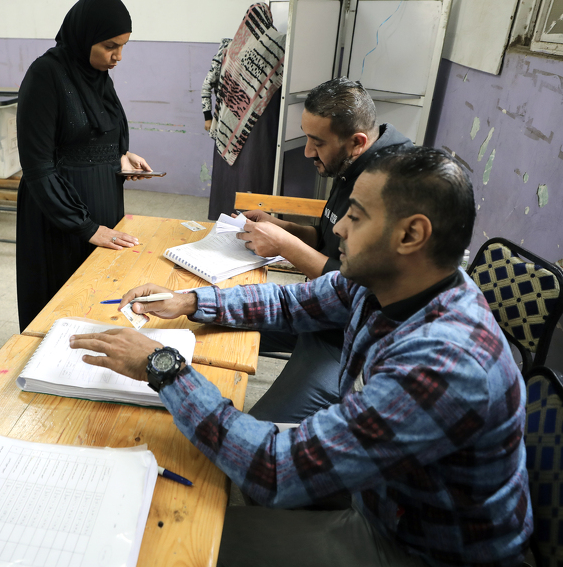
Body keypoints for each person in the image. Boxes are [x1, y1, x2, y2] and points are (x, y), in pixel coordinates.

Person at [70, 146, 532, 566]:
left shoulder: (444, 365)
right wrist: (190, 301)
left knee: (174, 544)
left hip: (420, 547)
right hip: (390, 492)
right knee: (218, 465)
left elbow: (275, 470)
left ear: (410, 234)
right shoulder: (397, 279)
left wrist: (164, 367)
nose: (338, 228)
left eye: (356, 216)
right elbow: (292, 302)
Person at [237, 77, 413, 422]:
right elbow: (327, 237)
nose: (306, 151)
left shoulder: (393, 184)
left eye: (317, 142)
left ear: (357, 142)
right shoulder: (353, 162)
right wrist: (284, 227)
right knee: (204, 320)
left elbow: (356, 290)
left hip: (347, 335)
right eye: (306, 136)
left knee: (264, 430)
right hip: (317, 310)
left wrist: (285, 245)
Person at [16, 0, 152, 331]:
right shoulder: (45, 75)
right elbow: (37, 166)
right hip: (60, 213)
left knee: (99, 291)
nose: (118, 56)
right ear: (84, 36)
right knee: (64, 299)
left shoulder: (97, 75)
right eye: (110, 46)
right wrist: (84, 226)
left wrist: (122, 156)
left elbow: (94, 134)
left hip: (102, 201)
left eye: (123, 46)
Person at [202, 3, 285, 220]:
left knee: (230, 173)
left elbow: (209, 84)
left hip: (228, 121)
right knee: (254, 169)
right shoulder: (277, 46)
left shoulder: (232, 46)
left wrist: (208, 116)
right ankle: (255, 217)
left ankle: (223, 213)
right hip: (259, 122)